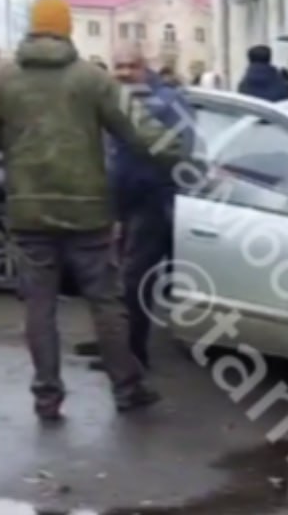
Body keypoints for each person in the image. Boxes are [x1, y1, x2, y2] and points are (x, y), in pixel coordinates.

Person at [0, 0, 183, 421]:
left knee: (39, 304)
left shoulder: (3, 79)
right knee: (105, 300)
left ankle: (47, 396)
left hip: (28, 211)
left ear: (32, 28)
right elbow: (141, 132)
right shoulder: (92, 80)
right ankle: (127, 388)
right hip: (88, 213)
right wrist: (183, 159)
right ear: (66, 30)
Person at [107, 44, 195, 370]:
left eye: (131, 66)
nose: (124, 73)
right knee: (122, 282)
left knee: (135, 279)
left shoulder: (169, 101)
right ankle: (124, 350)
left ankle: (134, 355)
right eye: (119, 66)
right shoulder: (114, 101)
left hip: (153, 200)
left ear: (145, 68)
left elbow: (183, 150)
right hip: (122, 202)